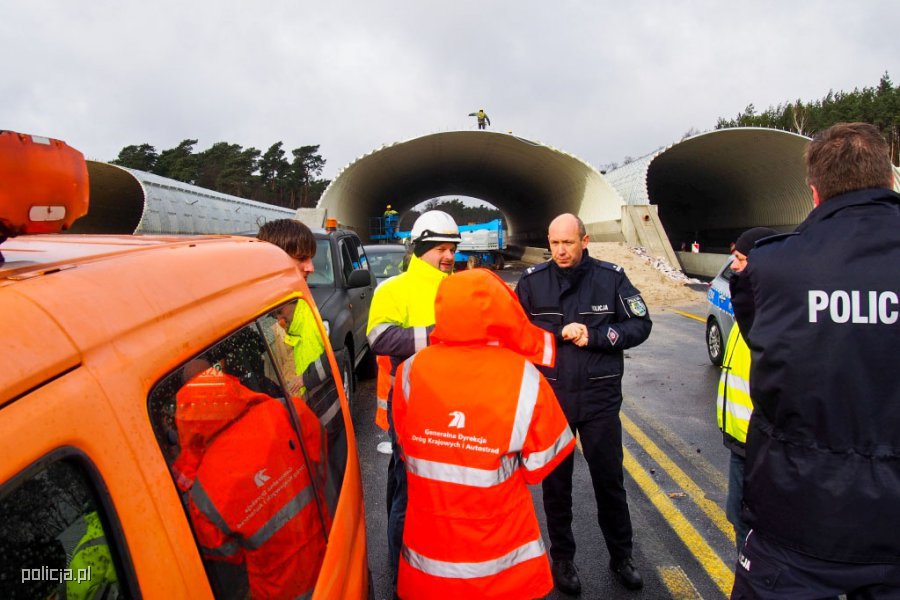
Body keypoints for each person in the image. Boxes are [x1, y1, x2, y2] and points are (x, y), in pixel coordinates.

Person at [730, 122, 900, 599]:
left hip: (797, 517)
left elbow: (756, 332)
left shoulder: (771, 266)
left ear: (814, 192)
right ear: (890, 179)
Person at [392, 268, 576, 599]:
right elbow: (541, 466)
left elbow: (407, 450)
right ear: (501, 311)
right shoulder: (524, 377)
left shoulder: (410, 371)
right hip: (501, 571)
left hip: (427, 568)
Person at [516, 213, 652, 594]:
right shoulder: (532, 282)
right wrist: (558, 332)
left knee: (609, 481)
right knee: (556, 486)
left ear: (585, 241)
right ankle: (562, 558)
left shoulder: (611, 278)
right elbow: (516, 330)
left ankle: (621, 556)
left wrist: (597, 336)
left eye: (568, 243)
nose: (561, 250)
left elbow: (640, 324)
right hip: (553, 400)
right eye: (555, 243)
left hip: (599, 400)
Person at [366, 210, 461, 592]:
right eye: (441, 249)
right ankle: (400, 574)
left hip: (449, 405)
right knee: (408, 492)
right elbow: (380, 338)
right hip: (413, 406)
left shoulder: (457, 287)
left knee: (424, 486)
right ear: (421, 248)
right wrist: (438, 334)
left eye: (452, 248)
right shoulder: (394, 289)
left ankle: (431, 559)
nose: (449, 256)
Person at [715, 227, 777, 556]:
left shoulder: (773, 313)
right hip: (740, 439)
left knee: (753, 523)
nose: (733, 267)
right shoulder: (748, 306)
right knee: (737, 516)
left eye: (740, 259)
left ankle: (752, 575)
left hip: (760, 443)